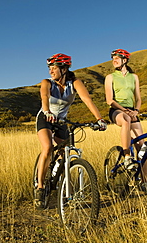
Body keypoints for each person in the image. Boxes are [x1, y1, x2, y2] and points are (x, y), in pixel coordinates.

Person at [35, 53, 107, 209]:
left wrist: (99, 119)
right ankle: (40, 187)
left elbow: (87, 100)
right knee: (47, 148)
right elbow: (44, 96)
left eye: (54, 68)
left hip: (62, 121)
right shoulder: (47, 82)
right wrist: (47, 112)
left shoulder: (74, 83)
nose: (51, 71)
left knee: (65, 153)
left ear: (64, 69)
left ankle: (63, 187)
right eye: (50, 68)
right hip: (45, 118)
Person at [104, 49, 147, 193]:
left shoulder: (134, 77)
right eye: (113, 59)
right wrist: (125, 111)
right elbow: (109, 100)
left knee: (142, 148)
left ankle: (145, 182)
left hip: (132, 111)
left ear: (125, 60)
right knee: (125, 120)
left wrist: (136, 110)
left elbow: (138, 98)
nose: (114, 61)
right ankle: (127, 157)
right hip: (117, 110)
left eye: (117, 58)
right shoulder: (110, 77)